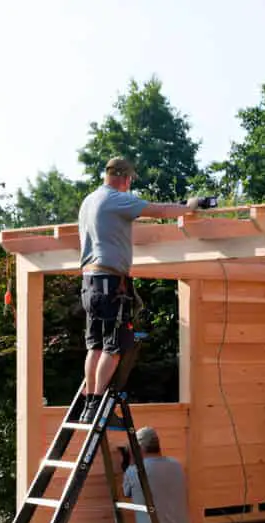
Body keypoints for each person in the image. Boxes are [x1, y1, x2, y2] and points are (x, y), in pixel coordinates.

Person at [77, 156, 201, 423]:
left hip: (89, 282)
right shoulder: (116, 199)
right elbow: (157, 210)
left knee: (95, 345)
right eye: (130, 179)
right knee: (114, 346)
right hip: (110, 282)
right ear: (125, 178)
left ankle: (89, 404)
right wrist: (188, 208)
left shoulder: (89, 201)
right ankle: (97, 405)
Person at [121, 426, 194, 523]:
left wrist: (130, 463)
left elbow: (126, 492)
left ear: (138, 448)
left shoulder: (134, 470)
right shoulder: (176, 465)